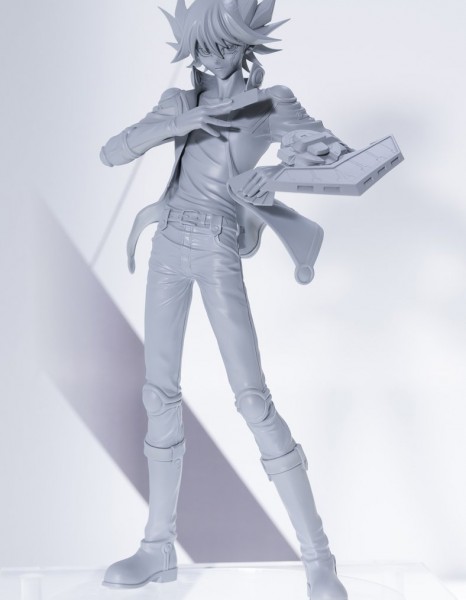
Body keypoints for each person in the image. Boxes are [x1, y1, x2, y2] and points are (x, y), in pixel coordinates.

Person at [100, 1, 349, 598]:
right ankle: (157, 547)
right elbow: (113, 152)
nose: (213, 57)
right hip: (168, 245)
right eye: (203, 47)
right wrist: (176, 124)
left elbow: (333, 154)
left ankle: (319, 559)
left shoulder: (270, 102)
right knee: (158, 395)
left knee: (252, 399)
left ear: (247, 44)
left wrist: (279, 175)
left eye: (225, 44)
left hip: (216, 246)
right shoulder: (179, 103)